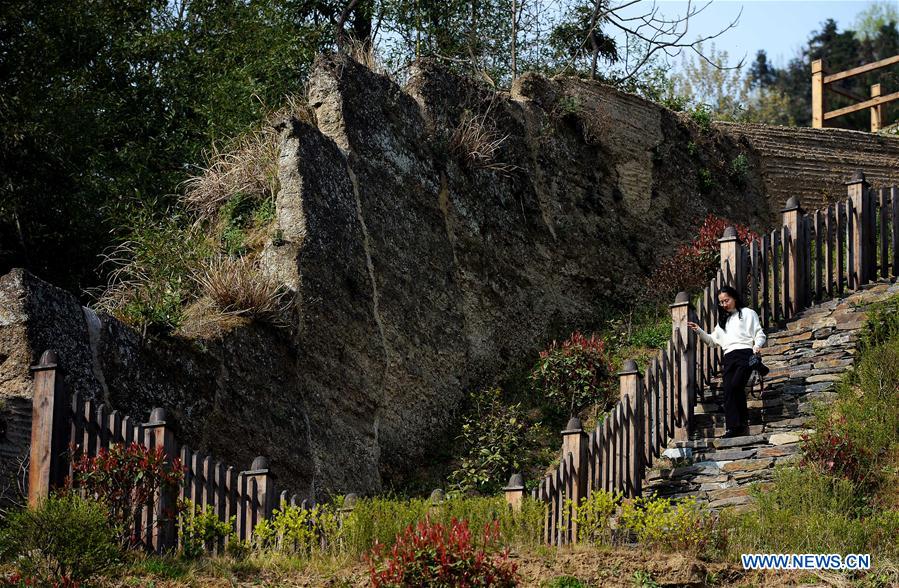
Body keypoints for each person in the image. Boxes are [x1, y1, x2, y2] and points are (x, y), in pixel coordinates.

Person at [686, 285, 766, 438]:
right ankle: (733, 427)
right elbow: (712, 341)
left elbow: (759, 333)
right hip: (728, 357)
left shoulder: (748, 313)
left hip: (745, 353)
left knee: (736, 385)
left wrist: (757, 346)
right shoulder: (722, 322)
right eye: (721, 302)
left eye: (726, 300)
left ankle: (741, 423)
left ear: (734, 298)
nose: (724, 304)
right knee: (729, 391)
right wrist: (699, 330)